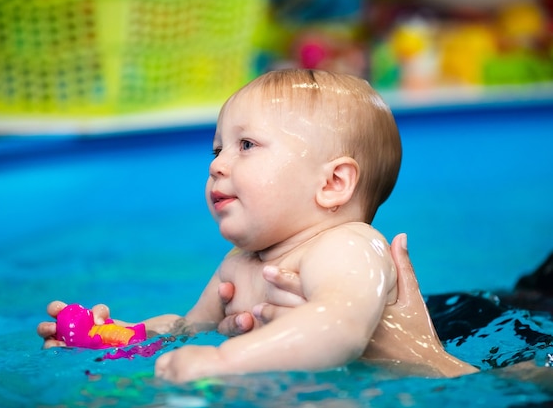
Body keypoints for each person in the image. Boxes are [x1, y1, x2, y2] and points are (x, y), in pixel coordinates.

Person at [38, 69, 476, 382]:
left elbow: (338, 326)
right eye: (217, 149)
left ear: (332, 183)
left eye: (245, 145)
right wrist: (117, 335)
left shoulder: (349, 245)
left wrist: (224, 362)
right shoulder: (238, 264)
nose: (217, 166)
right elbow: (187, 329)